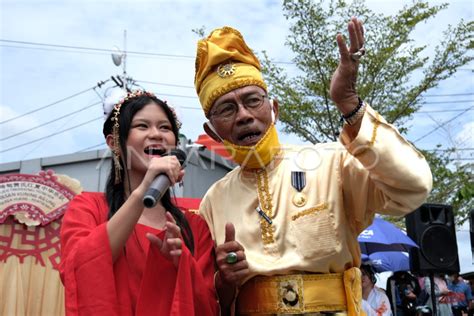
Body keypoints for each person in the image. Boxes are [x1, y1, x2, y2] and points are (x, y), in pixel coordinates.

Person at [195, 20, 432, 315]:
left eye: (252, 101)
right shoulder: (212, 202)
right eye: (227, 109)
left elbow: (413, 187)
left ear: (274, 109)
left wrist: (349, 104)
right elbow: (204, 297)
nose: (243, 115)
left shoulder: (332, 162)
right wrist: (226, 283)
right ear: (213, 130)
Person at [59, 90, 218, 315]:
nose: (156, 134)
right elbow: (78, 270)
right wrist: (143, 190)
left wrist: (181, 264)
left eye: (165, 128)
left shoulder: (194, 226)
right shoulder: (87, 208)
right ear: (114, 142)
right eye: (142, 126)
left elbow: (209, 304)